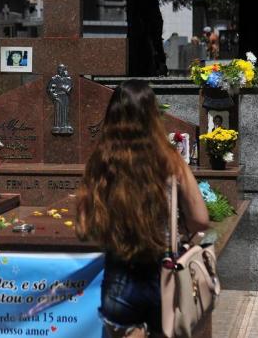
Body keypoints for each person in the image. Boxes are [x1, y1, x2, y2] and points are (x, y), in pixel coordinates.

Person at [76, 80, 209, 338]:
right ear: (152, 115)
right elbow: (201, 220)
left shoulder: (101, 161)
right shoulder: (171, 161)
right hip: (165, 275)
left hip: (120, 277)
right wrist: (177, 230)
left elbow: (84, 228)